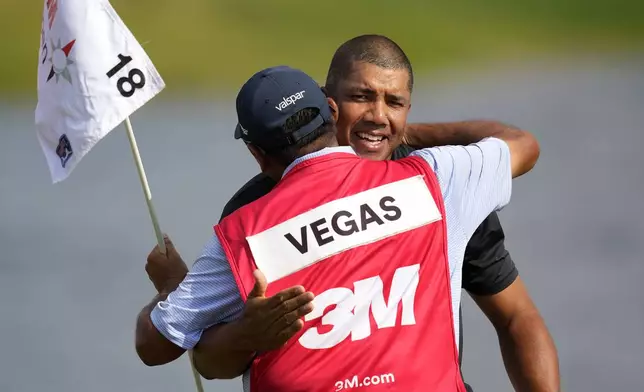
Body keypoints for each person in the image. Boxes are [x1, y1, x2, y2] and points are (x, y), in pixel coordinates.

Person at [137, 35, 559, 392]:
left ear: (256, 152)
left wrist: (173, 285)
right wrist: (248, 334)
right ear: (331, 106)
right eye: (362, 97)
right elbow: (210, 363)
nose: (377, 116)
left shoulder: (439, 185)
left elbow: (517, 318)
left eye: (395, 103)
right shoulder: (438, 182)